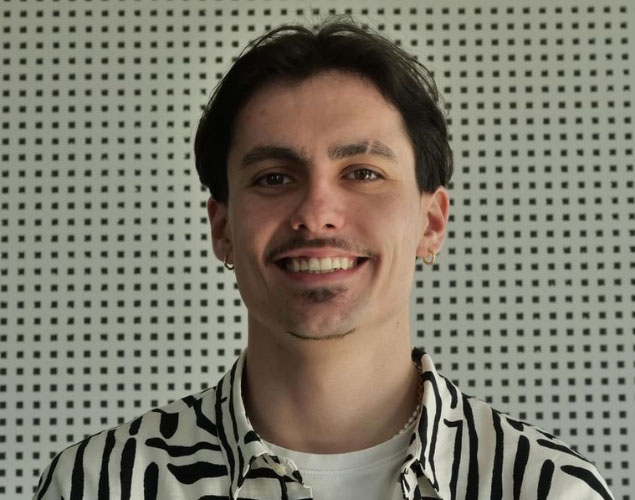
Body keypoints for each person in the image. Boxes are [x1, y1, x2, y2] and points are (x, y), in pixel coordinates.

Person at [34, 18, 614, 500]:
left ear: (431, 223)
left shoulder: (550, 489)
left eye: (362, 173)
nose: (316, 213)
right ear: (222, 228)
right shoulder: (99, 484)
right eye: (274, 177)